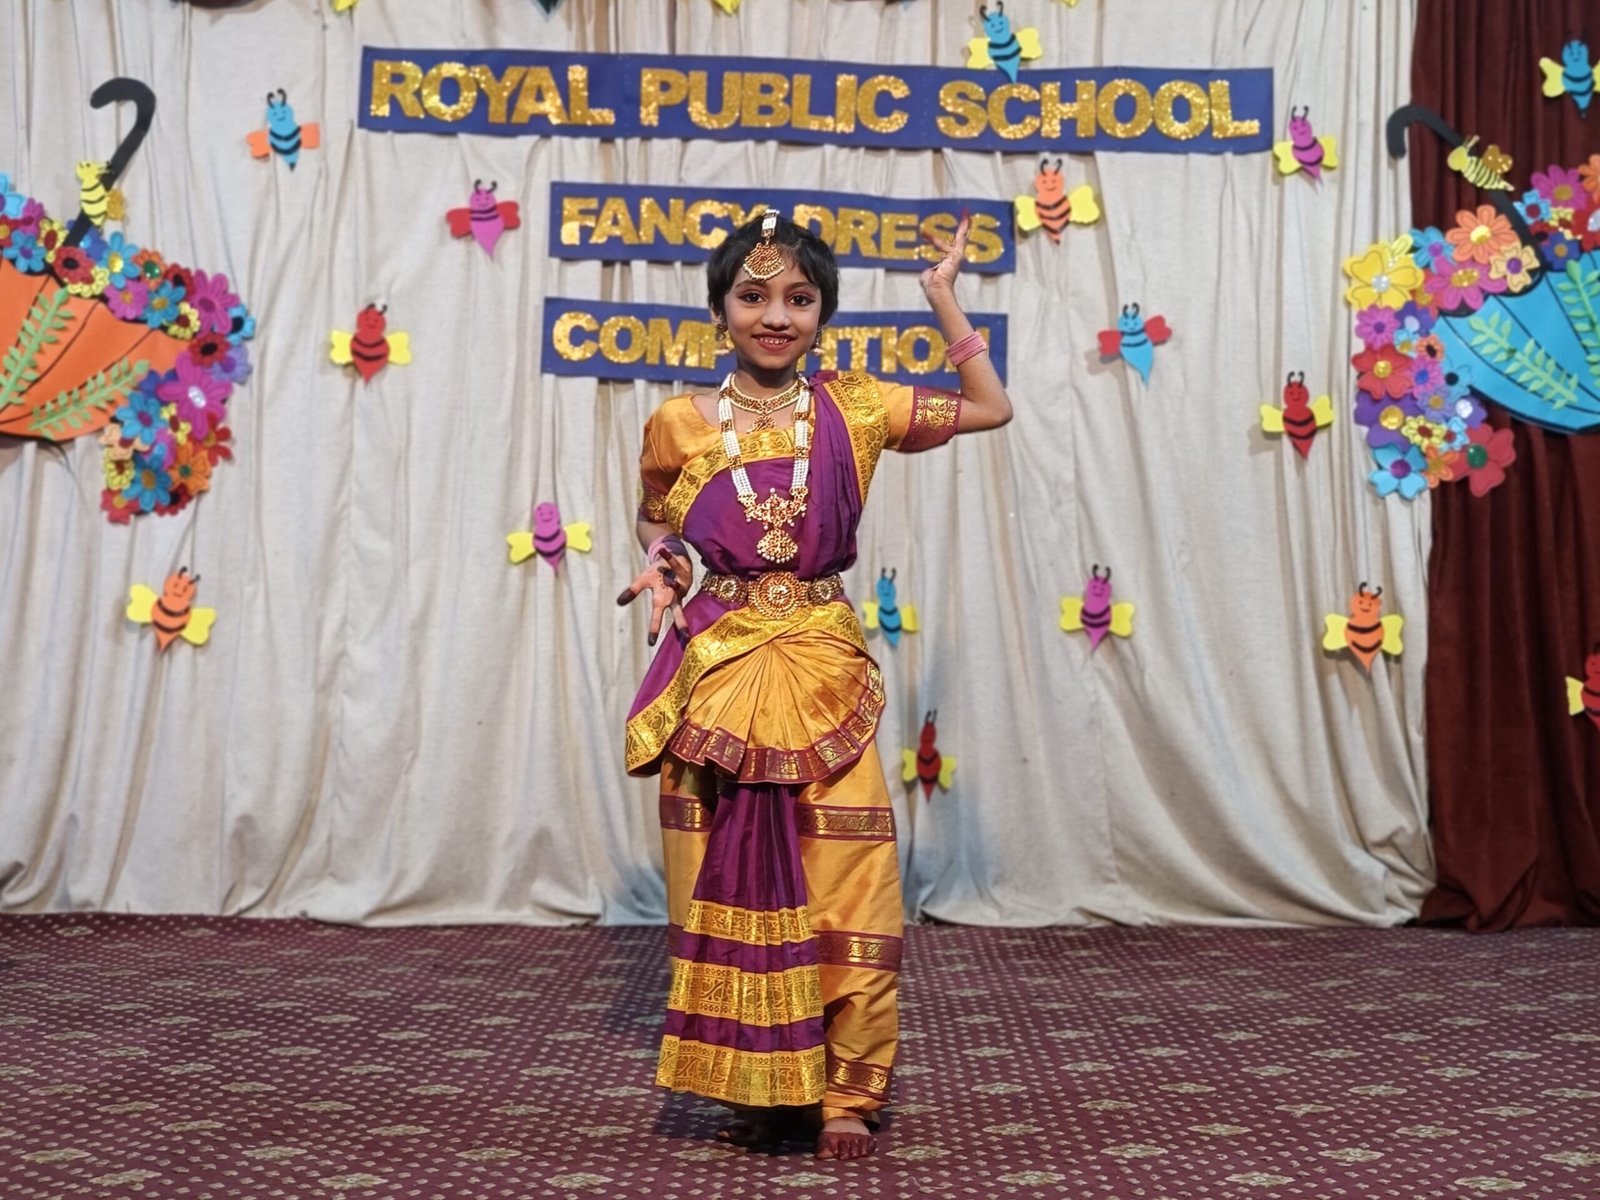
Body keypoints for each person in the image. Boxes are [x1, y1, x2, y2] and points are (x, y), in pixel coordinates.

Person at [618, 207, 1012, 1161]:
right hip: (719, 670)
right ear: (720, 310)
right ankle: (760, 1083)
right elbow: (656, 521)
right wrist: (667, 566)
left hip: (823, 669)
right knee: (719, 882)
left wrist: (941, 296)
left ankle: (847, 1093)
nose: (775, 316)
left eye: (798, 299)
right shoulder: (678, 422)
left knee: (850, 883)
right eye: (753, 297)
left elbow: (992, 408)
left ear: (823, 315)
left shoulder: (859, 407)